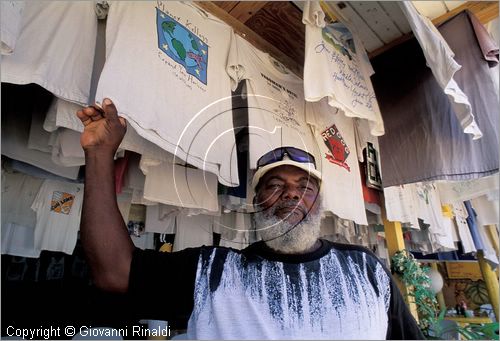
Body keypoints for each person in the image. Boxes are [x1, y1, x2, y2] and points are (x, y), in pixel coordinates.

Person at [77, 98, 425, 340]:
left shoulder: (365, 270)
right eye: (276, 185)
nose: (291, 194)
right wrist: (99, 153)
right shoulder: (212, 272)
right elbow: (114, 271)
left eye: (304, 187)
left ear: (320, 201)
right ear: (256, 202)